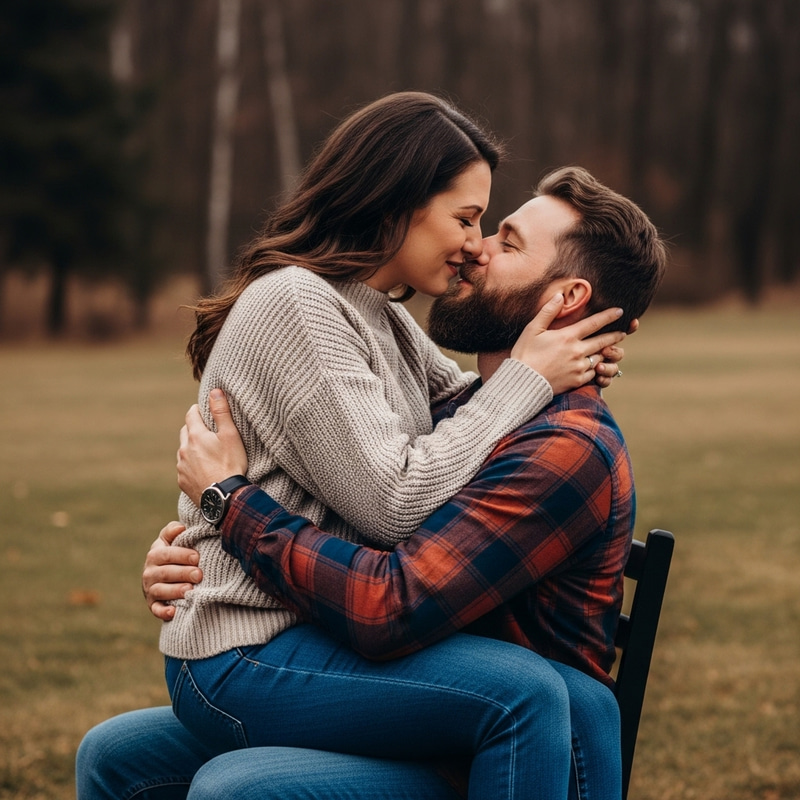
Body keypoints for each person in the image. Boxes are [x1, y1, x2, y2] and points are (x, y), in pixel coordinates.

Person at [77, 94, 626, 800]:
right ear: (397, 201)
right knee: (519, 695)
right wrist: (526, 377)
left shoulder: (376, 314)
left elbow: (459, 405)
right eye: (466, 218)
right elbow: (395, 503)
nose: (475, 242)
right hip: (254, 649)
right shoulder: (298, 304)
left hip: (292, 634)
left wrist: (555, 360)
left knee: (113, 757)